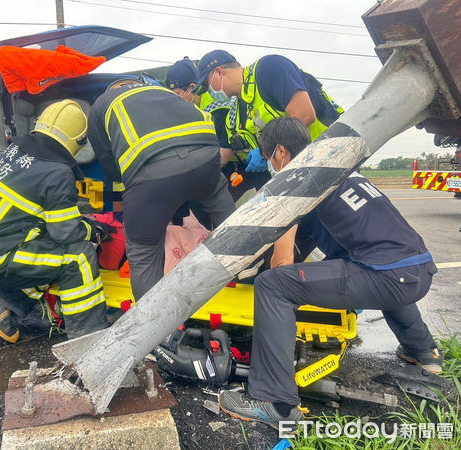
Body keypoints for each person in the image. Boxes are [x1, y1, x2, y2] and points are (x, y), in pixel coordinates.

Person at [218, 117, 441, 428]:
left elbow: (282, 266)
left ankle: (275, 402)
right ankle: (425, 355)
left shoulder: (297, 183)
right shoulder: (340, 170)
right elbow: (308, 243)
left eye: (268, 157)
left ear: (280, 152)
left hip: (386, 278)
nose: (269, 164)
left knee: (272, 286)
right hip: (418, 270)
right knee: (381, 265)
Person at [0, 100, 111, 342]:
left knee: (47, 253)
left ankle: (0, 310)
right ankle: (89, 338)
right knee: (77, 257)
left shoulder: (17, 153)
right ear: (79, 142)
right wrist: (92, 229)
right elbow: (66, 233)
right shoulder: (57, 172)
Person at [88, 81, 236, 300]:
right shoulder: (163, 92)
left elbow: (111, 170)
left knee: (144, 257)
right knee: (217, 192)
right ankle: (242, 253)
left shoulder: (102, 104)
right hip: (206, 157)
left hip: (149, 180)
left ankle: (153, 329)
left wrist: (123, 200)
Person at [193, 50, 343, 196]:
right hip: (301, 176)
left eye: (207, 85)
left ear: (219, 72)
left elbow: (304, 114)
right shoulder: (236, 114)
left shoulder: (268, 68)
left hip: (330, 157)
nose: (209, 92)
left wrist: (265, 154)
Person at [165, 57, 257, 202]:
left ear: (192, 86)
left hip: (244, 164)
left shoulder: (217, 106)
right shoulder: (195, 108)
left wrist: (193, 176)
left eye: (177, 94)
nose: (176, 100)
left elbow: (225, 151)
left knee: (211, 203)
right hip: (226, 164)